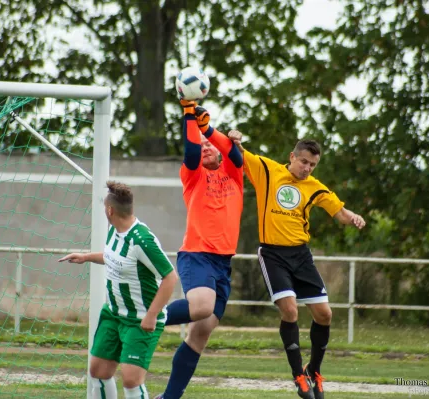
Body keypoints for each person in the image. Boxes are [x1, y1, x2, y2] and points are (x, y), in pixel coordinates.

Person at [227, 132, 366, 399]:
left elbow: (338, 212)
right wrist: (234, 139)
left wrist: (353, 218)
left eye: (312, 165)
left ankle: (313, 370)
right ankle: (297, 376)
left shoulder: (314, 186)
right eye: (303, 162)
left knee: (325, 314)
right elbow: (239, 154)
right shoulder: (268, 170)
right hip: (273, 254)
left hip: (301, 255)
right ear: (292, 157)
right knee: (290, 310)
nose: (307, 168)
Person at [153, 101, 244, 399]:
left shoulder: (233, 174)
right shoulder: (192, 175)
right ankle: (145, 315)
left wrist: (208, 129)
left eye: (210, 144)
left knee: (200, 333)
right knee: (202, 307)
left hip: (222, 263)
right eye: (202, 143)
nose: (205, 146)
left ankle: (169, 398)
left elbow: (235, 153)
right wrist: (189, 115)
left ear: (219, 150)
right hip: (197, 254)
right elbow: (191, 150)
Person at [58, 181, 178, 399]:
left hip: (139, 319)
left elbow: (170, 277)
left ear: (110, 210)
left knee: (131, 379)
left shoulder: (142, 240)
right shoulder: (114, 231)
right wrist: (85, 257)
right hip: (113, 314)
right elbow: (114, 259)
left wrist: (151, 316)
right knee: (98, 371)